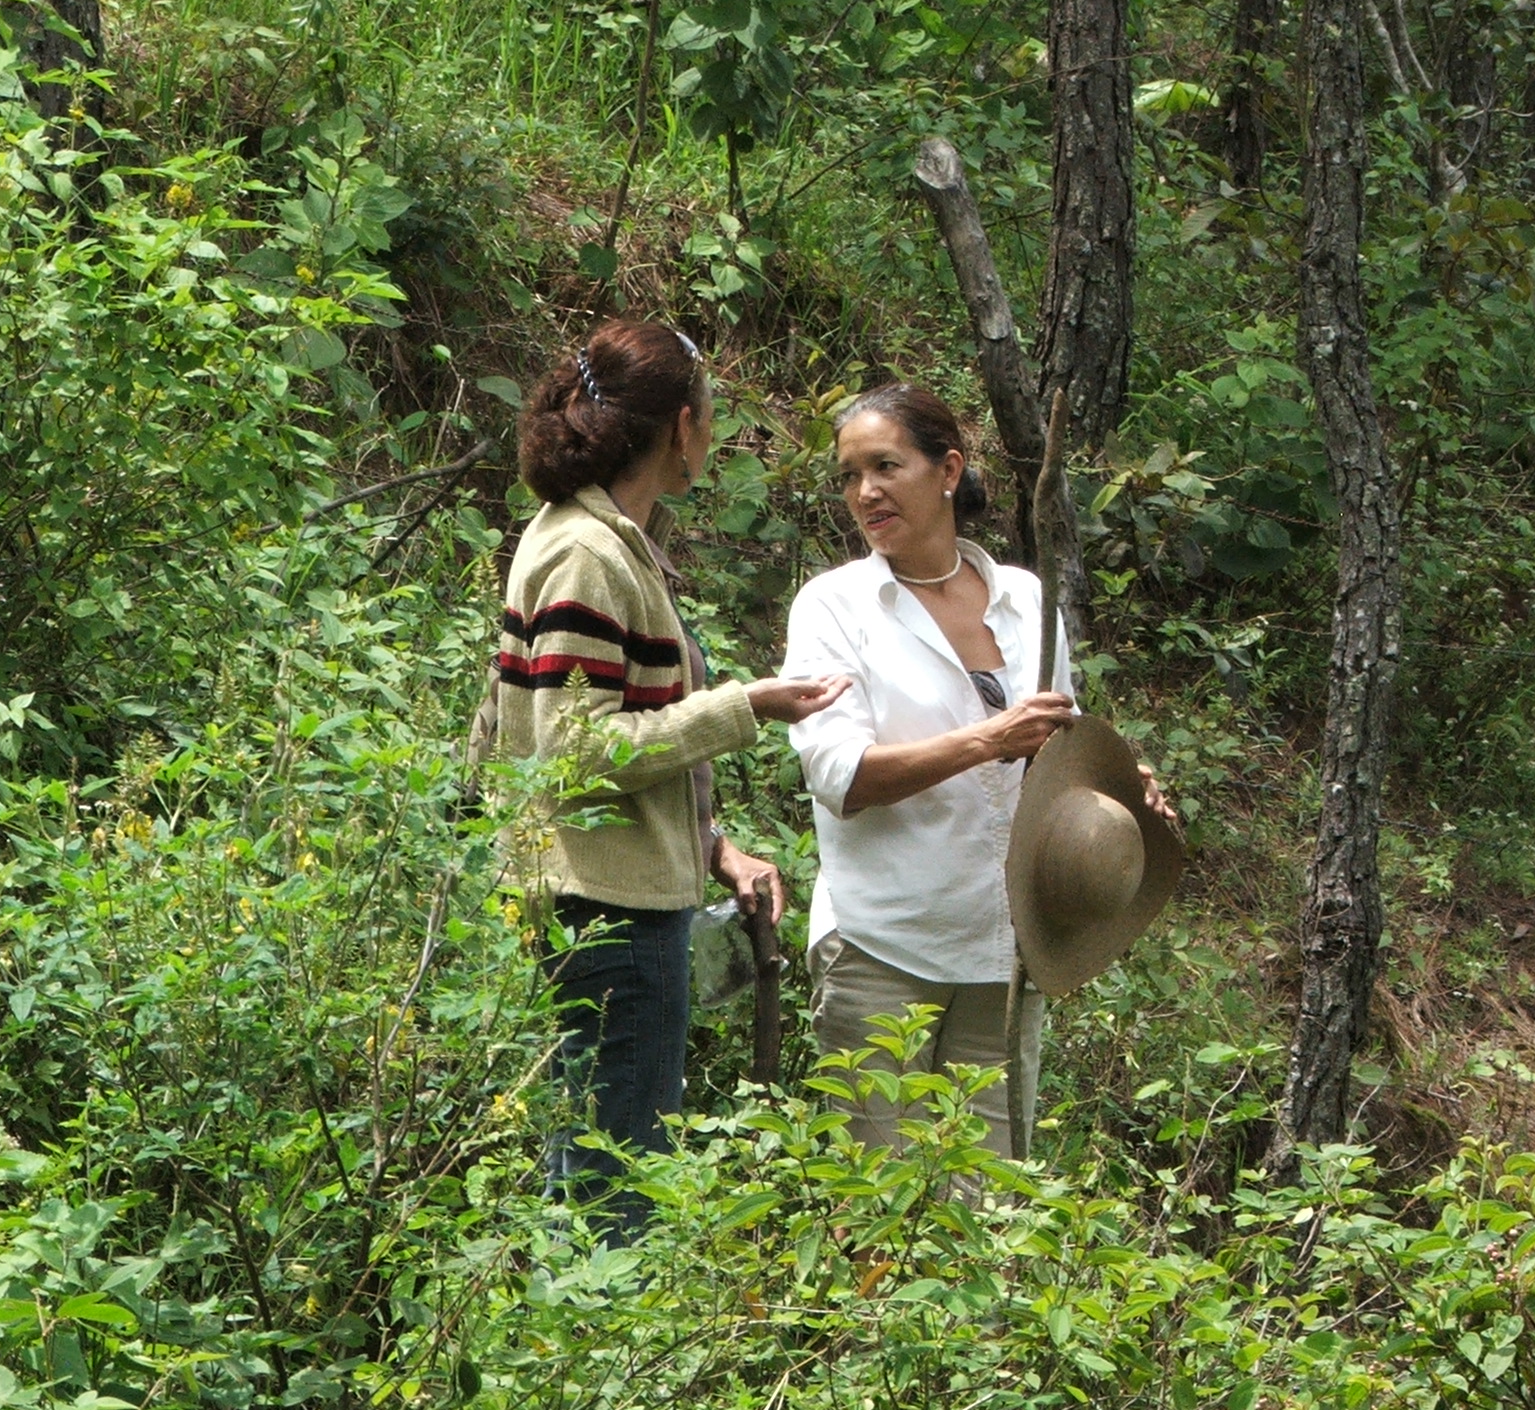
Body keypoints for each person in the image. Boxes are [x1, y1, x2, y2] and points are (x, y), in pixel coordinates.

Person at [499, 319, 849, 1230]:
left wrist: (714, 848)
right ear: (681, 428)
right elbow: (577, 749)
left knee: (599, 1150)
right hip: (604, 907)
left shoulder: (605, 538)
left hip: (619, 889)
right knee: (613, 1176)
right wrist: (747, 706)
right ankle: (594, 1343)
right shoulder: (585, 551)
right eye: (711, 416)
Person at [782, 382, 1169, 1158]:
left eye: (886, 467)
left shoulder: (1026, 601)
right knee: (877, 1200)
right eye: (849, 475)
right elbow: (842, 776)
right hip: (883, 944)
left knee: (989, 1208)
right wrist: (989, 739)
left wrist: (1125, 784)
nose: (865, 493)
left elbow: (1053, 753)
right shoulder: (836, 609)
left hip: (1006, 949)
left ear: (949, 470)